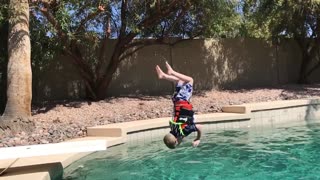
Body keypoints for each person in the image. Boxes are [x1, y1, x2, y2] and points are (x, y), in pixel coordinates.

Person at [155, 61, 203, 149]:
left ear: (177, 140)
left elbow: (199, 127)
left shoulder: (185, 131)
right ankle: (164, 76)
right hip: (176, 101)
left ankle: (171, 72)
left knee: (190, 80)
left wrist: (198, 139)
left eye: (178, 144)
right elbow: (177, 135)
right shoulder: (173, 130)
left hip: (182, 100)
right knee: (180, 80)